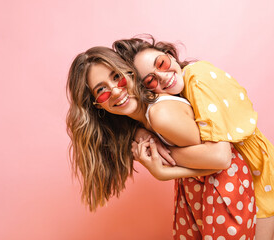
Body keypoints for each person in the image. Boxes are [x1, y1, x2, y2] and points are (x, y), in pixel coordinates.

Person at [113, 35, 274, 240]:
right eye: (150, 80)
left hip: (257, 169)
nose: (163, 76)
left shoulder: (197, 77)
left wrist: (164, 159)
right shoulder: (171, 97)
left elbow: (220, 156)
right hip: (234, 175)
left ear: (171, 55)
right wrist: (143, 133)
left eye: (162, 63)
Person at [66, 46, 257, 239]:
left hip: (221, 188)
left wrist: (162, 170)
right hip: (197, 190)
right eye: (101, 90)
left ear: (130, 72)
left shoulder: (160, 115)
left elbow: (219, 160)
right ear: (97, 105)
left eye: (117, 77)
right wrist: (139, 135)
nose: (115, 91)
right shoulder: (142, 120)